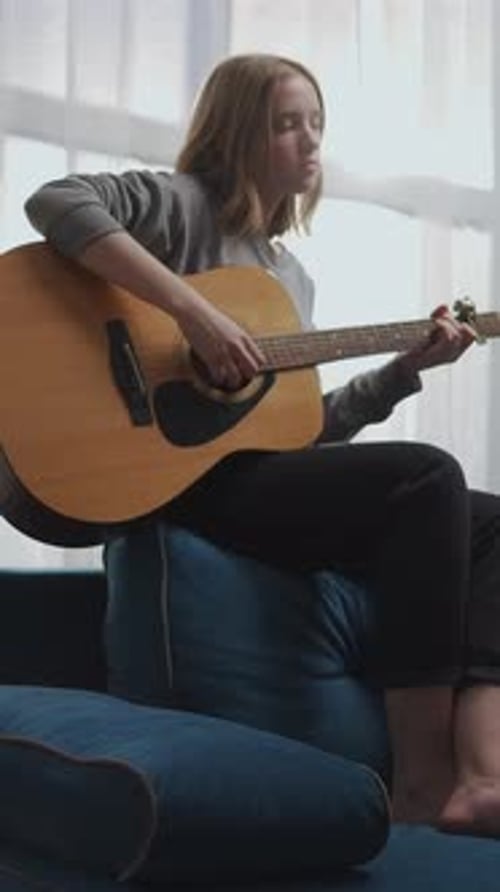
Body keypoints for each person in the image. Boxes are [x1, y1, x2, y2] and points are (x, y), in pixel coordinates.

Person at [24, 53, 500, 837]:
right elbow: (56, 200)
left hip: (245, 473)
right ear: (239, 131)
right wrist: (193, 314)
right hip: (178, 477)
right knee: (428, 476)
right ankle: (421, 782)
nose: (310, 143)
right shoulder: (179, 206)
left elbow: (294, 432)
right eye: (287, 124)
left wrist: (404, 369)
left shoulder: (288, 279)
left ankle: (481, 776)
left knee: (488, 521)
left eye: (316, 124)